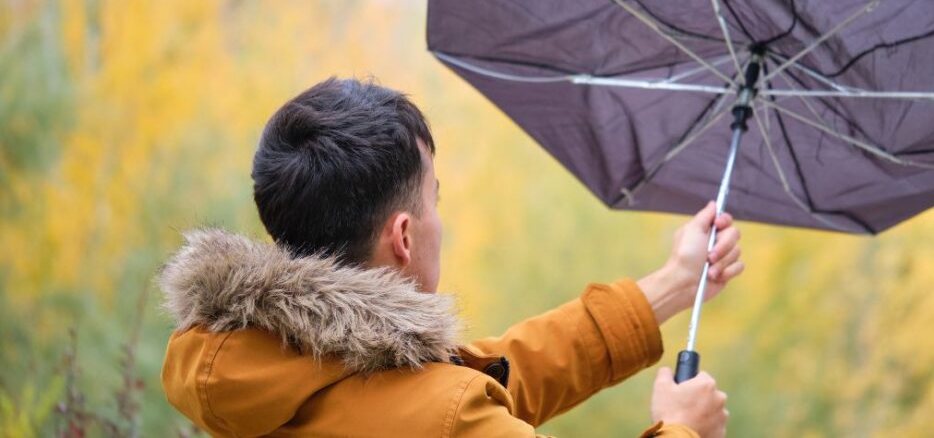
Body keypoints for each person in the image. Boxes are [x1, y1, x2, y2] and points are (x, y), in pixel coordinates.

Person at [159, 77, 745, 437]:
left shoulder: (253, 369)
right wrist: (684, 428)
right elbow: (446, 407)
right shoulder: (443, 417)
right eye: (435, 199)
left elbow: (495, 371)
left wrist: (676, 282)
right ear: (405, 237)